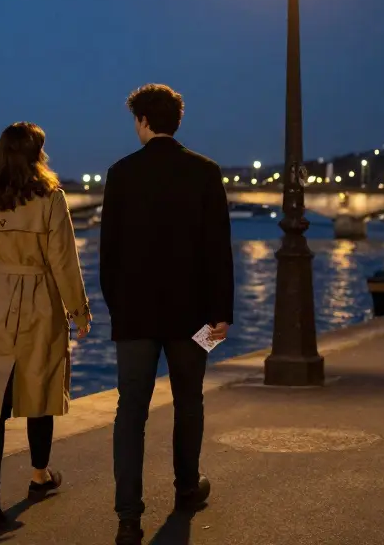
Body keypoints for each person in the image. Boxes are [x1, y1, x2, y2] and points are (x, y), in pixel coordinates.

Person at [99, 84, 234, 545]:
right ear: (177, 120)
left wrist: (119, 307)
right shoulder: (205, 172)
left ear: (141, 121)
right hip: (193, 316)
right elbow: (218, 251)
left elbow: (109, 255)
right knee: (188, 402)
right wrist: (221, 314)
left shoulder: (120, 174)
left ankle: (128, 518)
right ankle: (186, 489)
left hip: (135, 315)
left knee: (130, 412)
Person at [0, 121, 92, 526]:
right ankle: (39, 475)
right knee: (40, 389)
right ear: (37, 154)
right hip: (39, 299)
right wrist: (79, 311)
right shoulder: (49, 197)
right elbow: (63, 261)